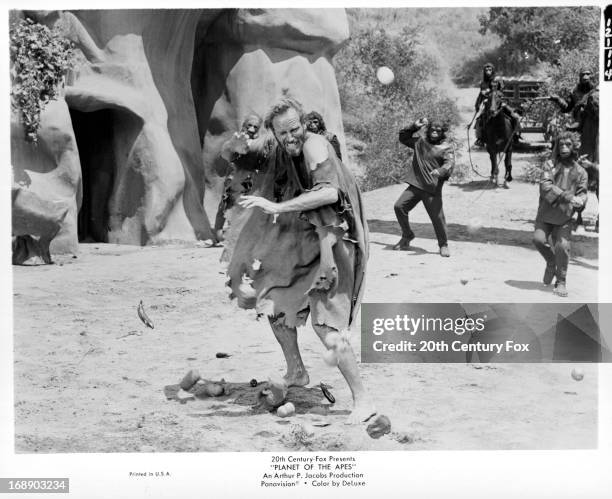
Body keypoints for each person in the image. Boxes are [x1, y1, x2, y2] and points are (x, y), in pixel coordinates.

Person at [224, 96, 373, 423]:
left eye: (294, 129)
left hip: (335, 243)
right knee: (277, 306)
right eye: (282, 133)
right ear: (275, 134)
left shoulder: (314, 146)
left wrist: (277, 207)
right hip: (312, 239)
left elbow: (330, 194)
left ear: (304, 124)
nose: (290, 137)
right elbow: (239, 155)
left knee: (326, 327)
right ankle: (296, 371)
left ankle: (363, 400)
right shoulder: (283, 150)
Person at [532, 132, 588, 297]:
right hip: (545, 214)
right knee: (538, 240)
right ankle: (551, 261)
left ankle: (561, 281)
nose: (564, 148)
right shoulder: (549, 165)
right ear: (556, 146)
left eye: (568, 145)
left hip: (565, 217)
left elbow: (583, 193)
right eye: (561, 144)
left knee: (562, 246)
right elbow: (546, 188)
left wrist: (581, 202)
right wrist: (570, 197)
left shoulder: (581, 172)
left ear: (574, 147)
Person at [394, 118, 454, 257]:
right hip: (415, 186)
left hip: (432, 189)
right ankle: (407, 235)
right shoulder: (420, 142)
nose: (434, 132)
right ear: (428, 129)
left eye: (438, 131)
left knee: (437, 218)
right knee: (399, 207)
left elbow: (449, 164)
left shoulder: (446, 147)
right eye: (432, 129)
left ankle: (443, 245)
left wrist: (440, 171)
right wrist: (414, 126)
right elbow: (403, 137)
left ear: (442, 132)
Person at [215, 114, 265, 242]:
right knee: (225, 205)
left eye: (255, 127)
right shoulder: (235, 139)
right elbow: (224, 156)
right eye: (250, 125)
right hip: (233, 179)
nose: (252, 129)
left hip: (249, 181)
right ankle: (218, 233)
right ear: (244, 125)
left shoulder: (259, 143)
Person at [474, 63, 502, 146]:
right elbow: (480, 95)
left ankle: (515, 133)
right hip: (488, 104)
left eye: (490, 70)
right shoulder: (483, 83)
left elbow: (502, 89)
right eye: (486, 70)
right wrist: (477, 104)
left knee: (510, 114)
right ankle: (480, 138)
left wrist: (490, 92)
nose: (488, 71)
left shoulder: (497, 79)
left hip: (498, 101)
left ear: (493, 70)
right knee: (479, 120)